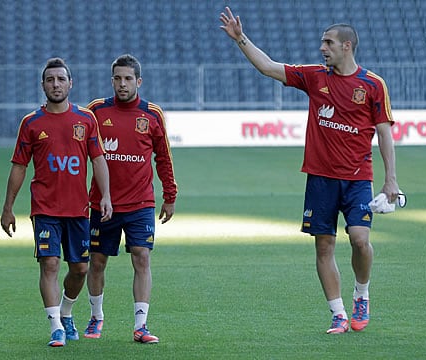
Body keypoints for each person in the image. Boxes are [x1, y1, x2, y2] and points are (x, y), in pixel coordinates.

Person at [219, 7, 400, 334]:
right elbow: (268, 67)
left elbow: (385, 133)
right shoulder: (314, 77)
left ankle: (362, 293)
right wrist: (240, 39)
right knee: (324, 246)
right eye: (322, 43)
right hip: (320, 178)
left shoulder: (373, 85)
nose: (322, 48)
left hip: (358, 177)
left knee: (360, 239)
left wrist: (390, 180)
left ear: (347, 46)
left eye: (328, 43)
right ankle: (338, 314)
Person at [0, 57, 113, 347]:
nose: (56, 84)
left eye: (61, 79)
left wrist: (106, 197)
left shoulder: (86, 119)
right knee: (49, 264)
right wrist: (8, 208)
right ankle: (56, 328)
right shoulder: (31, 123)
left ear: (70, 83)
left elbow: (98, 159)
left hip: (78, 209)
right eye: (50, 80)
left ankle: (65, 313)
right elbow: (19, 166)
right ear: (43, 85)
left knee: (80, 270)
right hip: (45, 209)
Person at [85, 54, 177, 344]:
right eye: (117, 78)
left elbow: (163, 157)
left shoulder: (152, 115)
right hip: (102, 203)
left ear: (138, 81)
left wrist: (170, 195)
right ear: (111, 80)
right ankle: (96, 317)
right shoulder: (96, 112)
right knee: (97, 262)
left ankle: (141, 326)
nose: (122, 84)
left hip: (140, 203)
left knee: (142, 257)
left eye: (128, 79)